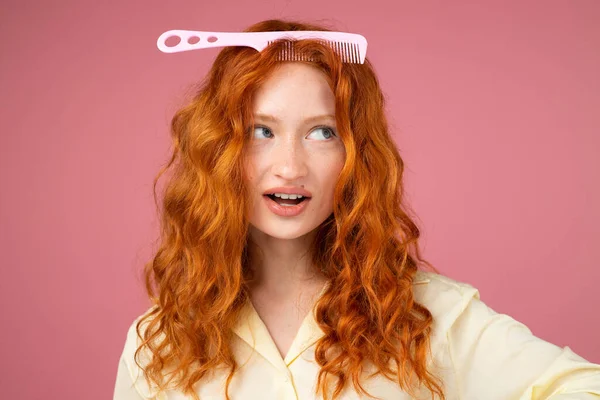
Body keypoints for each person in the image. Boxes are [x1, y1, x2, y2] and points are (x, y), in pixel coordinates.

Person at [113, 19, 600, 400]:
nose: (290, 166)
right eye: (262, 131)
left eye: (322, 132)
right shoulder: (157, 342)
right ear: (221, 149)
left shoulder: (425, 316)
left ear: (355, 157)